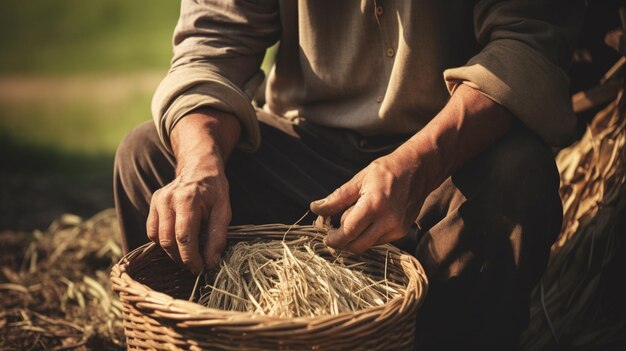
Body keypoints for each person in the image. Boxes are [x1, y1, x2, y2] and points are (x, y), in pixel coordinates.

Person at [114, 1, 584, 349]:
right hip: (304, 156)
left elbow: (526, 41)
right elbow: (212, 41)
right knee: (146, 157)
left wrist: (416, 166)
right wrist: (201, 166)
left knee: (518, 174)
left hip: (449, 159)